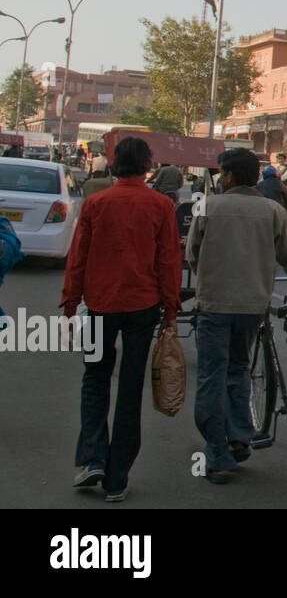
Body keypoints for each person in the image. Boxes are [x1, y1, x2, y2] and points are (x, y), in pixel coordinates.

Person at [186, 148, 287, 485]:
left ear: (228, 176)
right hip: (252, 308)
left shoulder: (207, 207)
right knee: (238, 369)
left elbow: (192, 256)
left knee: (210, 377)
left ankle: (217, 455)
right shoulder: (273, 211)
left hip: (214, 306)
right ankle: (239, 437)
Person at [61, 136, 182, 502]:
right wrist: (171, 311)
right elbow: (168, 262)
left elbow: (77, 258)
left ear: (114, 164)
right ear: (148, 166)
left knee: (95, 379)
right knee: (130, 390)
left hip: (100, 305)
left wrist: (69, 307)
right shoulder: (160, 206)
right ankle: (117, 479)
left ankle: (92, 458)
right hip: (142, 308)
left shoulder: (97, 204)